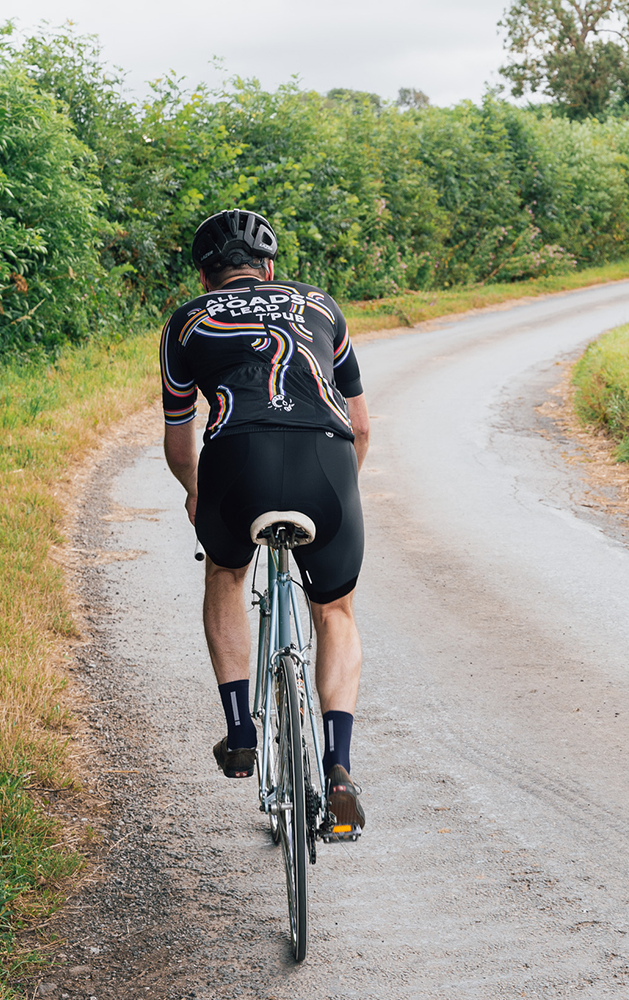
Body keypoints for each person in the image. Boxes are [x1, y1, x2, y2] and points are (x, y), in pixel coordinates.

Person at [159, 209, 368, 830]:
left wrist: (198, 494)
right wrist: (340, 497)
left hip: (236, 459)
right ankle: (338, 768)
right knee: (334, 609)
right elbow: (358, 426)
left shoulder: (185, 322)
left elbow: (179, 440)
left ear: (205, 277)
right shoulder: (323, 307)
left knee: (225, 571)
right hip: (325, 462)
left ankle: (241, 729)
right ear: (270, 268)